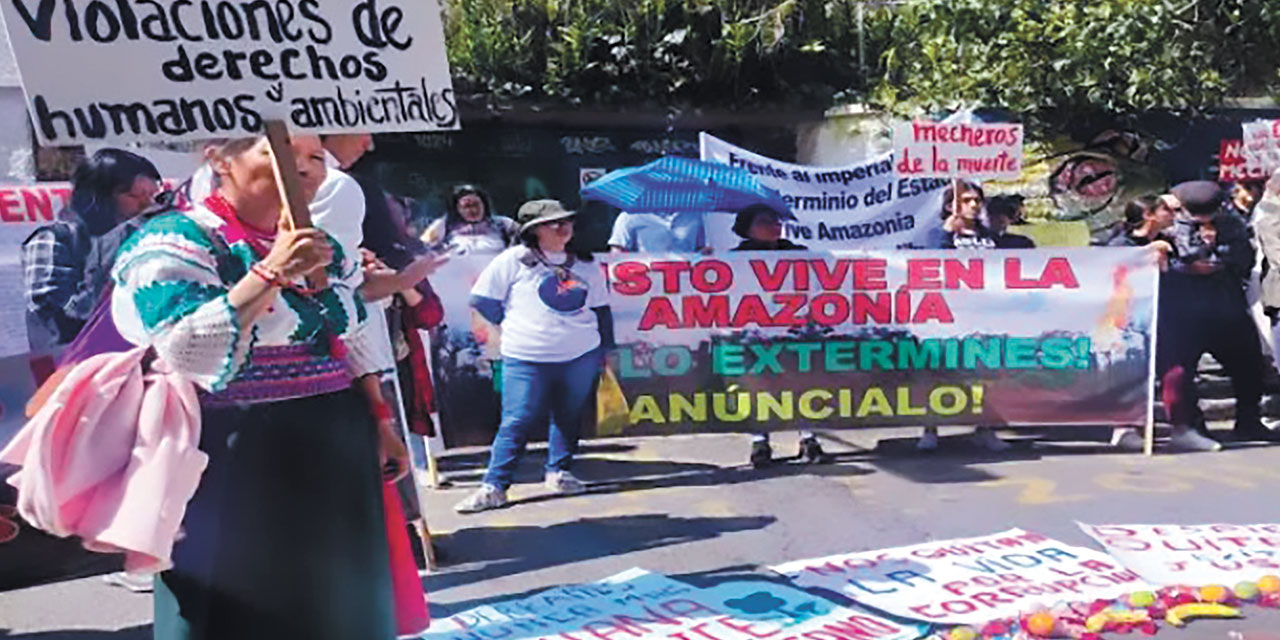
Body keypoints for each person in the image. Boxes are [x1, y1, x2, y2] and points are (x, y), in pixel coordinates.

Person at [111, 135, 404, 639]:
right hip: (232, 446)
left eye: (316, 158)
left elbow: (352, 333)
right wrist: (268, 275)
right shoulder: (174, 241)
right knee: (233, 599)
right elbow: (185, 350)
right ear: (220, 159)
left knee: (331, 595)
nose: (306, 171)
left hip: (332, 435)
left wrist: (378, 419)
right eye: (283, 155)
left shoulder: (323, 245)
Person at [454, 200, 612, 513]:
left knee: (569, 414)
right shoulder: (513, 260)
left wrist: (605, 351)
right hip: (526, 357)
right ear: (533, 230)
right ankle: (494, 486)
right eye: (553, 223)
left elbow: (601, 310)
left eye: (566, 221)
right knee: (517, 418)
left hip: (580, 354)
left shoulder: (585, 262)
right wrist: (515, 326)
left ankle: (559, 472)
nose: (562, 227)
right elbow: (484, 301)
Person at [1159, 181, 1277, 448]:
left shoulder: (1231, 224)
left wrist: (1219, 258)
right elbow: (1172, 257)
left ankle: (1249, 421)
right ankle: (1191, 425)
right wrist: (1192, 260)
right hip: (1182, 310)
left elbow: (1244, 258)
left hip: (1226, 306)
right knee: (1181, 370)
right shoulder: (1170, 225)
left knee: (1248, 366)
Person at [23, 149, 161, 353]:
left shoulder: (145, 236)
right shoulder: (54, 239)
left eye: (153, 195)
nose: (148, 205)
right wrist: (114, 257)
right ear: (100, 196)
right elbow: (56, 316)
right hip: (71, 365)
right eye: (135, 195)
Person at [730, 204, 829, 466]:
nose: (774, 225)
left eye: (776, 220)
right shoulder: (732, 258)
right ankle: (760, 442)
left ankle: (808, 438)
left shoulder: (797, 253)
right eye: (765, 221)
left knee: (800, 386)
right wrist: (704, 260)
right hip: (754, 335)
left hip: (793, 332)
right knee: (759, 389)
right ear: (747, 228)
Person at [922, 181, 1011, 452]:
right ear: (952, 206)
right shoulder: (936, 235)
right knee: (939, 372)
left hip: (984, 315)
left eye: (977, 200)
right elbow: (929, 266)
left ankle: (984, 428)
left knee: (985, 371)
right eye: (967, 200)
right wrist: (946, 236)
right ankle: (930, 428)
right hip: (947, 316)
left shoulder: (990, 236)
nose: (974, 205)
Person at [1107, 195, 1177, 451]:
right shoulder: (1120, 244)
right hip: (1129, 319)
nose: (1171, 213)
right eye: (1165, 209)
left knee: (1173, 372)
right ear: (1149, 214)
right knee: (1130, 371)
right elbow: (1113, 274)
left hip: (1163, 315)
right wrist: (1145, 256)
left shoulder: (1168, 242)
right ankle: (1124, 427)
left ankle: (1182, 426)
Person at [422, 184, 520, 255]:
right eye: (466, 206)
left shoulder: (503, 224)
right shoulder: (445, 225)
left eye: (476, 204)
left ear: (484, 205)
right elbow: (424, 245)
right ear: (458, 208)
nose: (472, 210)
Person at [609, 209, 708, 253]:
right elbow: (617, 254)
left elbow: (699, 249)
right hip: (644, 284)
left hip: (684, 284)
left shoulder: (694, 215)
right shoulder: (629, 216)